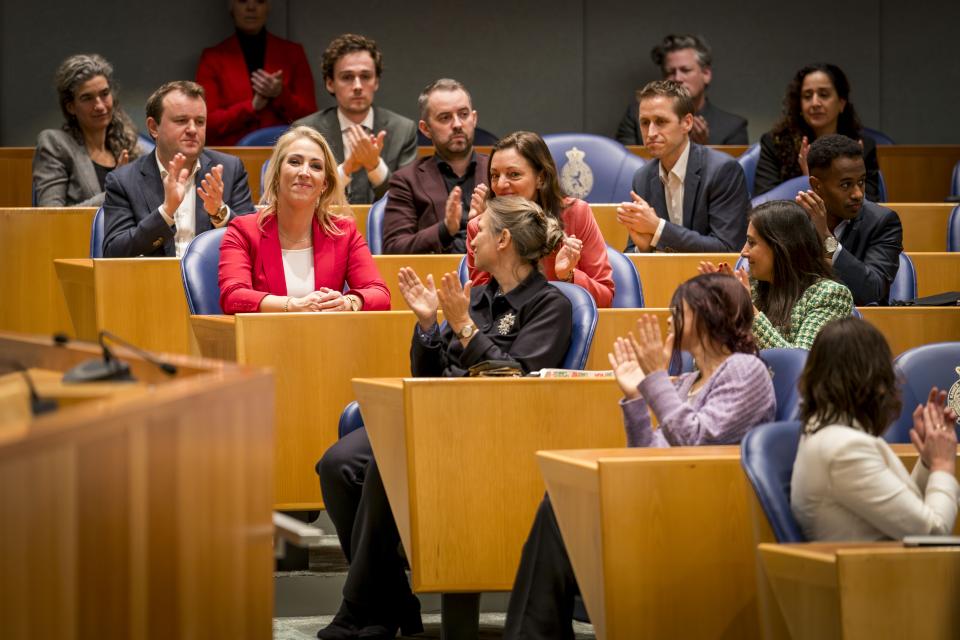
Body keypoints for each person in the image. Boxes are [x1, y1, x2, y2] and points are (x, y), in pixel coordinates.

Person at [316, 195, 573, 639]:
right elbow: (428, 373)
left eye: (483, 227)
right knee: (338, 465)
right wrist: (429, 326)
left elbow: (516, 383)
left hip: (487, 433)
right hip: (434, 415)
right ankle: (395, 601)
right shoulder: (477, 294)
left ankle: (360, 611)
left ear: (505, 239)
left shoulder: (551, 305)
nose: (472, 233)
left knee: (385, 465)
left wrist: (464, 327)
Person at [503, 272, 777, 639]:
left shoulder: (746, 370)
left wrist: (655, 380)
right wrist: (635, 396)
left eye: (678, 311)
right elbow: (646, 455)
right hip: (668, 497)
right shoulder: (686, 381)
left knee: (560, 509)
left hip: (712, 508)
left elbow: (696, 440)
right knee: (562, 501)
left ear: (709, 314)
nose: (668, 319)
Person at [792, 317, 958, 541]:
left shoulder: (831, 433)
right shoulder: (845, 450)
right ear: (876, 382)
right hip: (879, 573)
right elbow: (933, 533)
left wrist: (928, 461)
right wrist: (943, 464)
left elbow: (906, 511)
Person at [218, 126, 389, 313]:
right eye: (295, 162)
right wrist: (291, 305)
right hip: (265, 338)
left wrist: (349, 302)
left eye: (316, 166)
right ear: (277, 175)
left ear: (324, 183)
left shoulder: (343, 232)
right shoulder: (243, 230)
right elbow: (232, 297)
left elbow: (380, 294)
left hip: (325, 338)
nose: (305, 172)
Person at [103, 81, 255, 258]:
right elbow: (114, 253)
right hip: (153, 282)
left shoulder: (229, 170)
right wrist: (166, 212)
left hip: (212, 283)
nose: (192, 129)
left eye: (200, 122)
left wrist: (219, 212)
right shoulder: (123, 181)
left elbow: (254, 243)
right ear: (153, 127)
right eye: (181, 121)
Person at [465, 131, 615, 308]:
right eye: (495, 175)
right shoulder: (480, 227)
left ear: (541, 178)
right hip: (509, 330)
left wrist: (568, 275)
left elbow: (605, 298)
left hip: (568, 324)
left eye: (513, 174)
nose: (500, 185)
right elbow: (480, 308)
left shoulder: (576, 213)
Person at [617, 80, 749, 254]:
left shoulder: (723, 171)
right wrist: (644, 248)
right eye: (645, 123)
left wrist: (659, 229)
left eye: (661, 121)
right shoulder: (642, 177)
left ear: (687, 123)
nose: (650, 133)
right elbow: (635, 249)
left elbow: (726, 248)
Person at [702, 200, 854, 350]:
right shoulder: (753, 287)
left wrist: (748, 309)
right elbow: (706, 362)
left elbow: (800, 364)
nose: (743, 252)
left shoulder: (829, 295)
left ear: (781, 247)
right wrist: (718, 313)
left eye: (751, 242)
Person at [294, 33, 417, 204]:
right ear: (330, 83)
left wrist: (375, 167)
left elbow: (409, 200)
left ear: (376, 82)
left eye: (365, 76)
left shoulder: (403, 130)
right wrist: (345, 170)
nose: (358, 86)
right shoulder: (306, 131)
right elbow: (299, 196)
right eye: (347, 77)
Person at [381, 78, 489, 254]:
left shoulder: (497, 173)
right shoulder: (407, 181)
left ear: (474, 118)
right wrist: (445, 229)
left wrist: (491, 223)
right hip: (435, 276)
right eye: (445, 117)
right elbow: (394, 249)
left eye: (463, 114)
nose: (457, 124)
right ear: (425, 128)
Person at [796, 134, 903, 305]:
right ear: (817, 185)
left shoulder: (882, 223)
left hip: (857, 326)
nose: (858, 194)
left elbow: (872, 292)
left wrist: (826, 238)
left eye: (861, 182)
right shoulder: (794, 222)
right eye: (845, 185)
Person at [195, 0, 317, 146]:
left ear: (268, 6)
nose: (251, 7)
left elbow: (312, 121)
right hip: (229, 157)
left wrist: (281, 95)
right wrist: (251, 107)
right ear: (231, 6)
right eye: (242, 1)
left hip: (285, 155)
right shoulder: (212, 58)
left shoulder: (293, 53)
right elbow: (206, 124)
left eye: (259, 1)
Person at [755, 63, 881, 201]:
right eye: (807, 96)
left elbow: (871, 204)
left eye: (824, 95)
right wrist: (806, 182)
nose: (815, 103)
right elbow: (765, 203)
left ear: (841, 103)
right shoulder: (776, 143)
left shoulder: (861, 146)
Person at [33, 54, 141, 207]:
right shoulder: (56, 144)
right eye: (87, 98)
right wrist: (113, 193)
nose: (100, 106)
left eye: (104, 94)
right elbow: (52, 216)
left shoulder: (130, 146)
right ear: (70, 107)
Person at [616, 34, 748, 146]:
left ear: (706, 74)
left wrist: (701, 149)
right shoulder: (637, 116)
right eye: (670, 72)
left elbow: (731, 175)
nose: (677, 78)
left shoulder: (732, 127)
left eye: (685, 70)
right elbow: (624, 171)